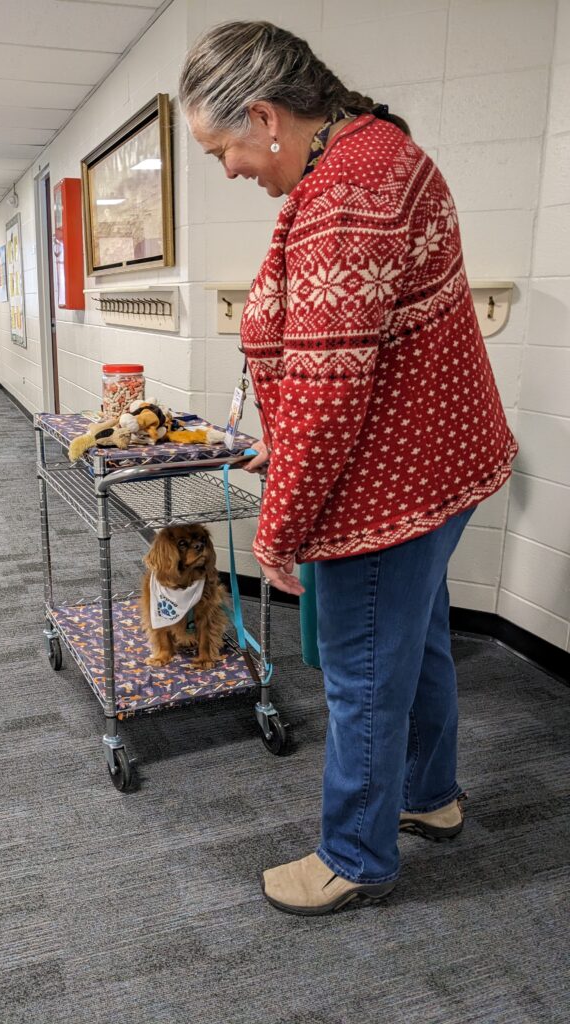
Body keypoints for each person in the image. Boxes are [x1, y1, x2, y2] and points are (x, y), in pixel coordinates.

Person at [179, 21, 517, 916]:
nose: (232, 170)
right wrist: (285, 436)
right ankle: (429, 796)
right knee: (422, 641)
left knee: (364, 675)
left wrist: (278, 531)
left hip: (385, 489)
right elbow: (356, 357)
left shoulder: (343, 197)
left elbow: (331, 395)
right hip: (441, 466)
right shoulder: (376, 150)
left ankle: (356, 857)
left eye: (224, 150)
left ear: (265, 114)